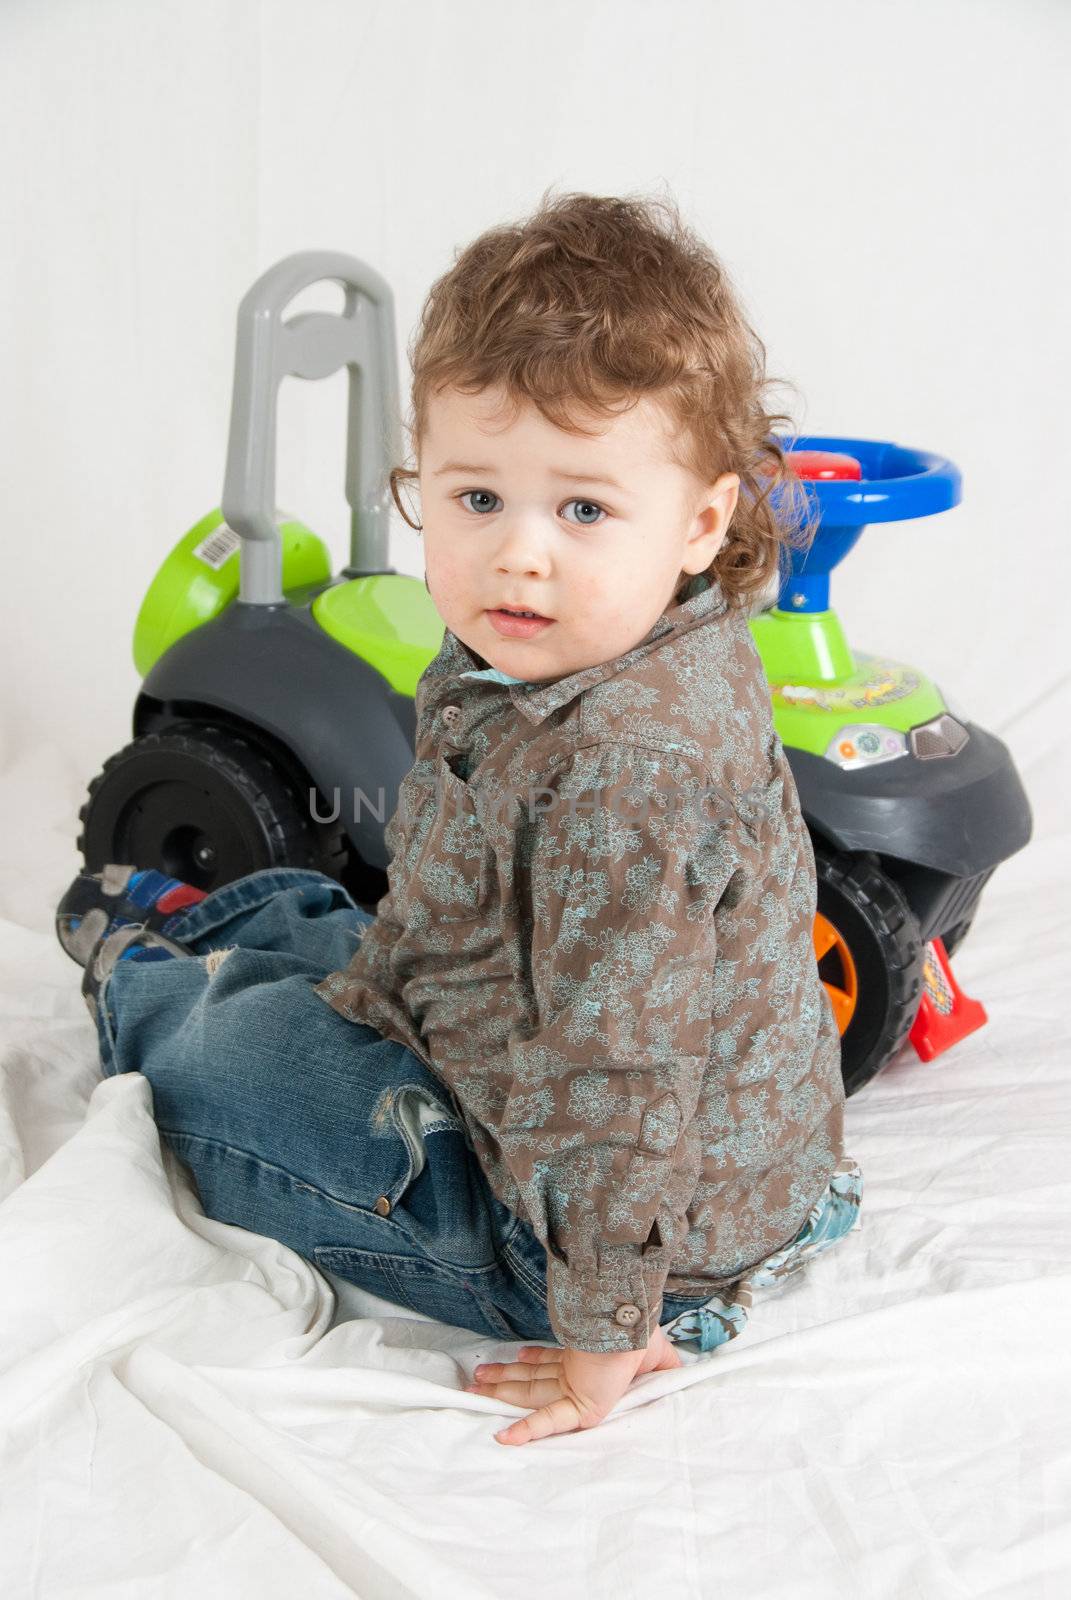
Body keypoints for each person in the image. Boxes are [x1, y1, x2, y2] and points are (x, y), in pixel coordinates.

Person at [56, 189, 863, 1448]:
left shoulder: (627, 780)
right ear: (421, 478)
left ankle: (145, 982)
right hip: (565, 1063)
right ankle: (229, 927)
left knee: (229, 1071)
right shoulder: (597, 637)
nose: (518, 556)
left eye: (584, 509)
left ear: (703, 522)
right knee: (326, 915)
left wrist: (598, 1331)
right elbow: (456, 890)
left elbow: (622, 1076)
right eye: (478, 499)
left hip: (597, 1236)